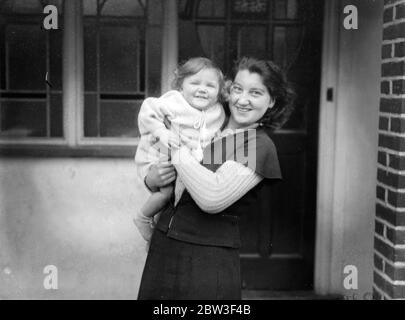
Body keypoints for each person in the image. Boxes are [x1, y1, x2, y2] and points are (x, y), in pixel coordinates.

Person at [137, 57, 295, 300]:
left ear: (272, 100)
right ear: (228, 91)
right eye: (238, 89)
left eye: (255, 93)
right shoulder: (207, 123)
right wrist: (152, 179)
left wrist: (176, 146)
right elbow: (165, 170)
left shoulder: (258, 146)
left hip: (206, 262)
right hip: (164, 245)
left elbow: (212, 197)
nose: (243, 100)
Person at [134, 57, 226, 242]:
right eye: (194, 83)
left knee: (181, 195)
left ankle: (167, 230)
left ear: (218, 92)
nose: (202, 89)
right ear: (180, 86)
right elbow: (147, 111)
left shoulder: (217, 111)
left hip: (184, 160)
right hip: (158, 153)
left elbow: (210, 134)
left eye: (210, 86)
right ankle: (143, 217)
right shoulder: (173, 102)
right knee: (165, 193)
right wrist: (162, 132)